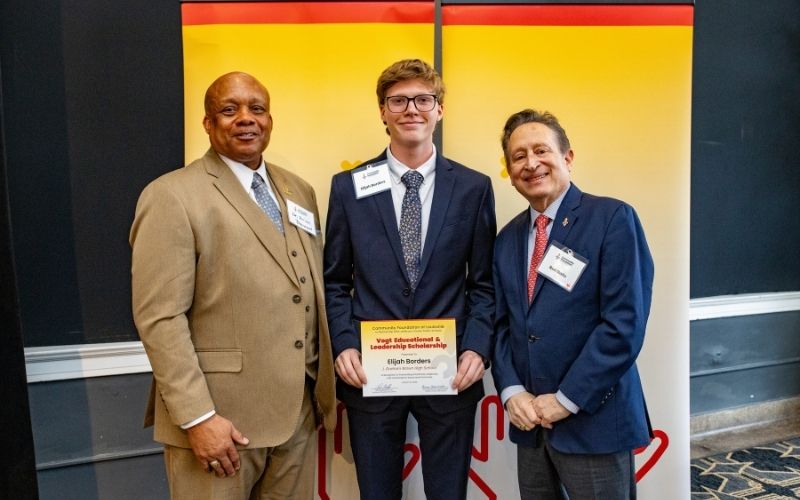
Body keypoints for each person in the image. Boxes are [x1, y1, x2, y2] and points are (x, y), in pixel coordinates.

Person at [130, 71, 336, 499]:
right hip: (220, 424)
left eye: (257, 109)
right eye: (230, 109)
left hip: (296, 418)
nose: (246, 119)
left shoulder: (299, 191)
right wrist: (198, 419)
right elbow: (159, 317)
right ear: (207, 123)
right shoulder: (171, 195)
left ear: (270, 119)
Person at [323, 59, 496, 500]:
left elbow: (484, 284)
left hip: (450, 371)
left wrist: (477, 346)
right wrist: (343, 343)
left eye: (423, 99)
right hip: (371, 373)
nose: (411, 109)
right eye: (398, 100)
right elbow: (335, 280)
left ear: (439, 110)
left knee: (448, 493)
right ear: (382, 112)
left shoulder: (474, 188)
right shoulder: (349, 187)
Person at [492, 109, 654, 499]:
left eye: (541, 150)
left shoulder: (612, 218)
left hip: (593, 421)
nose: (531, 163)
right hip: (531, 426)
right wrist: (512, 391)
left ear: (567, 157)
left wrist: (566, 400)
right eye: (518, 156)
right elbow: (501, 325)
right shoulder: (506, 238)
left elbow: (623, 324)